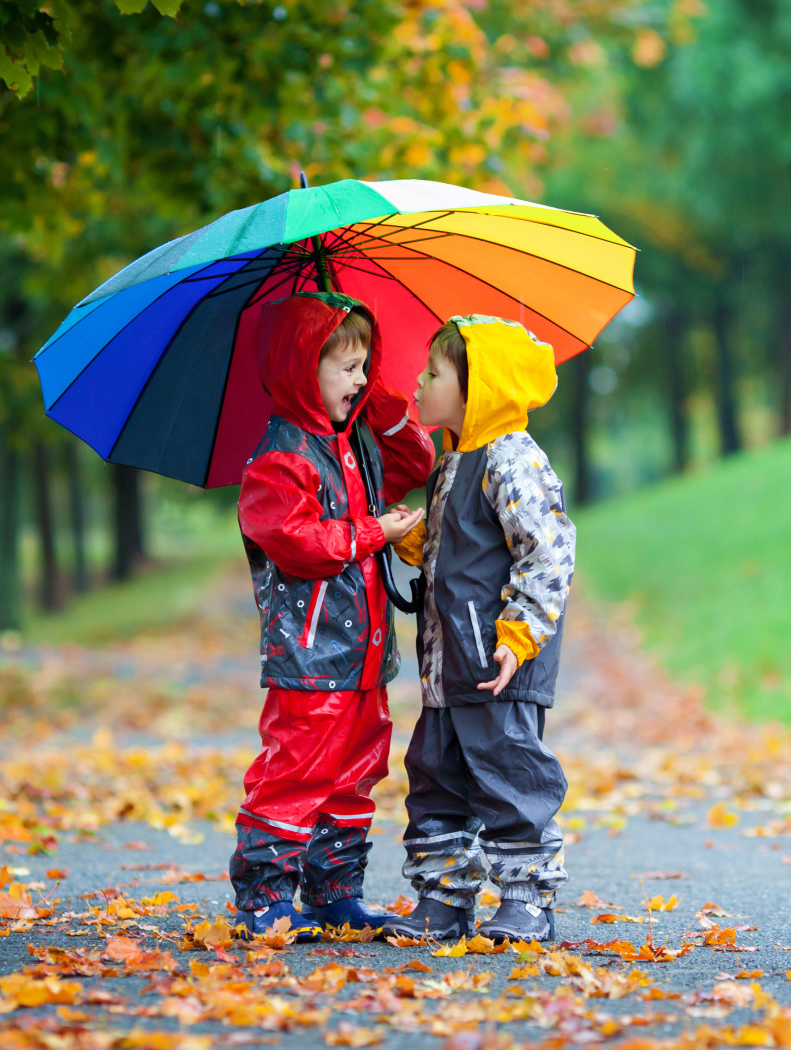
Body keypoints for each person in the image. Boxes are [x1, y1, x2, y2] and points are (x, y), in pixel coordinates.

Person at [231, 291, 434, 941]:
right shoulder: (279, 458)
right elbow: (297, 543)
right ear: (300, 367)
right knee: (299, 768)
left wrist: (376, 401)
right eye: (347, 366)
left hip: (365, 649)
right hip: (311, 652)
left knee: (358, 769)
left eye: (365, 364)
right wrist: (371, 532)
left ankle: (333, 889)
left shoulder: (357, 438)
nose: (360, 377)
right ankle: (266, 895)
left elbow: (416, 462)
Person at [381, 315, 576, 944]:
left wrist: (517, 637)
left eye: (433, 373)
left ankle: (527, 901)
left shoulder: (512, 458)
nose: (419, 380)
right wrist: (412, 538)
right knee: (436, 778)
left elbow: (546, 552)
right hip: (446, 668)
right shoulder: (454, 461)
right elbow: (458, 549)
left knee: (510, 777)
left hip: (498, 664)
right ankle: (443, 900)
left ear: (478, 389)